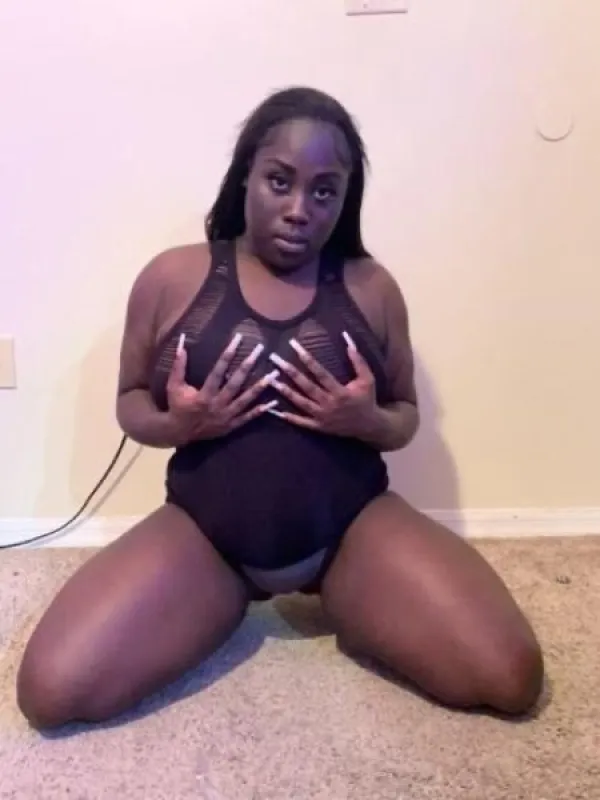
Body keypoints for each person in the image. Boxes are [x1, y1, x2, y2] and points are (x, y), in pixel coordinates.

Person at [16, 86, 544, 729]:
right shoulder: (172, 278)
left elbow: (404, 416)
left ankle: (359, 602)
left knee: (509, 675)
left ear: (345, 199)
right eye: (279, 181)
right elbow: (129, 404)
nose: (299, 210)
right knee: (52, 689)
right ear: (245, 176)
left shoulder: (372, 288)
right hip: (207, 537)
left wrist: (367, 421)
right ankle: (218, 603)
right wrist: (178, 424)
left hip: (351, 529)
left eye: (324, 191)